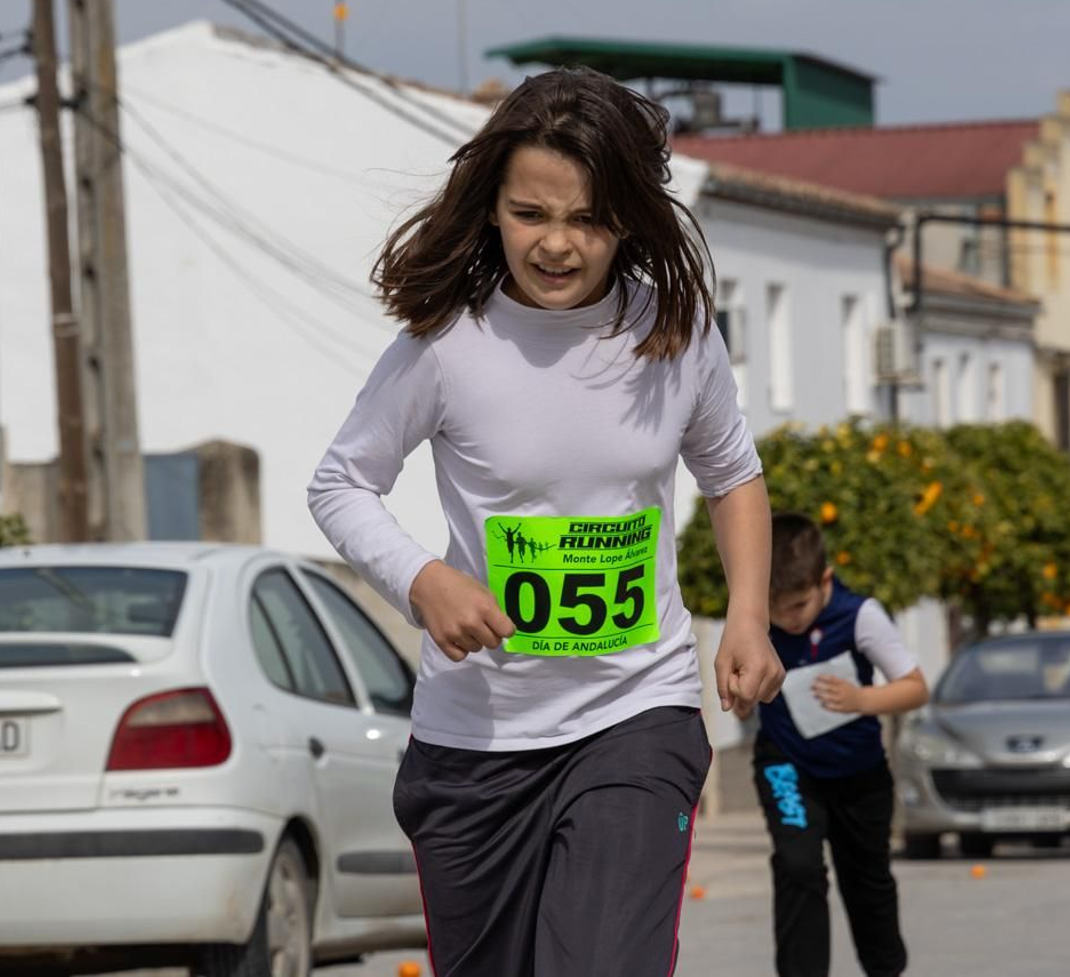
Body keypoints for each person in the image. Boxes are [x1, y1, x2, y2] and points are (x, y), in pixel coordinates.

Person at [308, 67, 784, 977]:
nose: (558, 245)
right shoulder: (446, 343)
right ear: (492, 207)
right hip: (478, 741)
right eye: (532, 215)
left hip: (635, 712)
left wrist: (750, 618)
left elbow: (733, 474)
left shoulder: (674, 331)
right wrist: (422, 579)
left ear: (629, 219)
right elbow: (340, 484)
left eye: (589, 219)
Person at [746, 513, 929, 977]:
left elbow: (914, 687)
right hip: (787, 764)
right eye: (775, 606)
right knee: (798, 866)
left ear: (823, 580)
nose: (785, 619)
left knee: (867, 883)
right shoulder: (755, 617)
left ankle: (886, 969)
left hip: (859, 772)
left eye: (798, 605)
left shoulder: (859, 615)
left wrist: (863, 699)